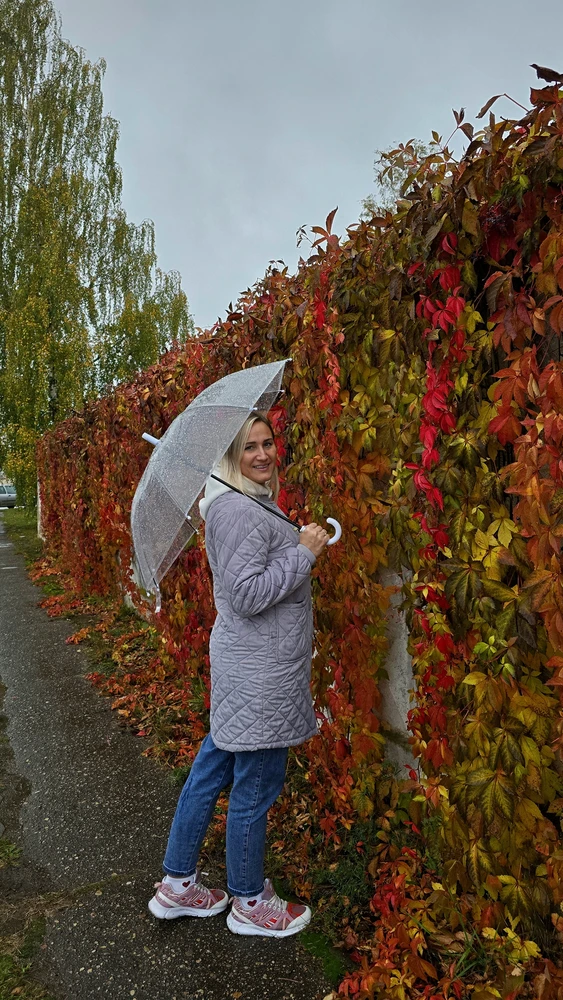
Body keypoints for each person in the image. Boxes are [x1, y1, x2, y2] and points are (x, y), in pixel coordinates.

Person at [148, 411, 330, 937]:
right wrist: (303, 555)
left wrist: (297, 543)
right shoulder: (234, 510)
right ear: (230, 456)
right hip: (261, 673)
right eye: (249, 447)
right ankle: (249, 902)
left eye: (268, 442)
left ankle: (178, 884)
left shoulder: (243, 502)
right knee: (257, 783)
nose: (263, 454)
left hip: (250, 666)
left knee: (212, 768)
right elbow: (247, 595)